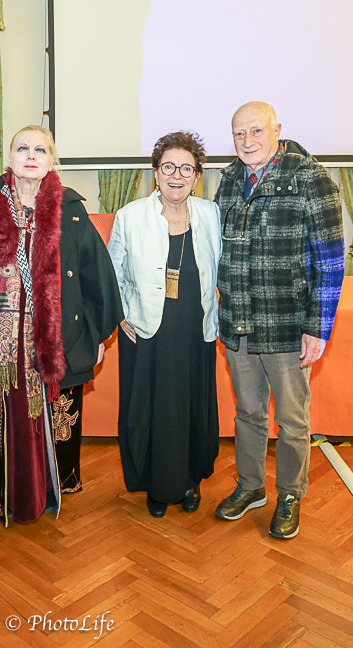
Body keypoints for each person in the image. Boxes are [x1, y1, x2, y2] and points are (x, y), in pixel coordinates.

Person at [213, 101, 344, 539]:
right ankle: (251, 486)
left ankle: (289, 493)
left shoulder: (310, 177)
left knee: (292, 419)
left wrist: (318, 327)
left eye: (256, 131)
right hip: (238, 322)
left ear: (277, 130)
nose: (247, 142)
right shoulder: (230, 179)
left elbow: (330, 260)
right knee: (248, 412)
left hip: (289, 326)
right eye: (238, 134)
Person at [0, 125, 122, 525]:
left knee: (56, 415)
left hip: (58, 336)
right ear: (9, 158)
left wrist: (96, 332)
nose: (30, 155)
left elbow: (97, 273)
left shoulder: (70, 208)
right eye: (22, 148)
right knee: (4, 418)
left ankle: (52, 488)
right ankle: (6, 493)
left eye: (40, 149)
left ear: (51, 161)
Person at [108, 131, 222, 518]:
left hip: (195, 331)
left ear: (197, 176)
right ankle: (156, 487)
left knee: (192, 406)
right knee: (151, 409)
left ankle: (190, 481)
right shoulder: (130, 216)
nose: (177, 175)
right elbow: (114, 274)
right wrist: (122, 315)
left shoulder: (211, 214)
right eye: (168, 167)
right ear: (155, 173)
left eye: (186, 168)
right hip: (147, 332)